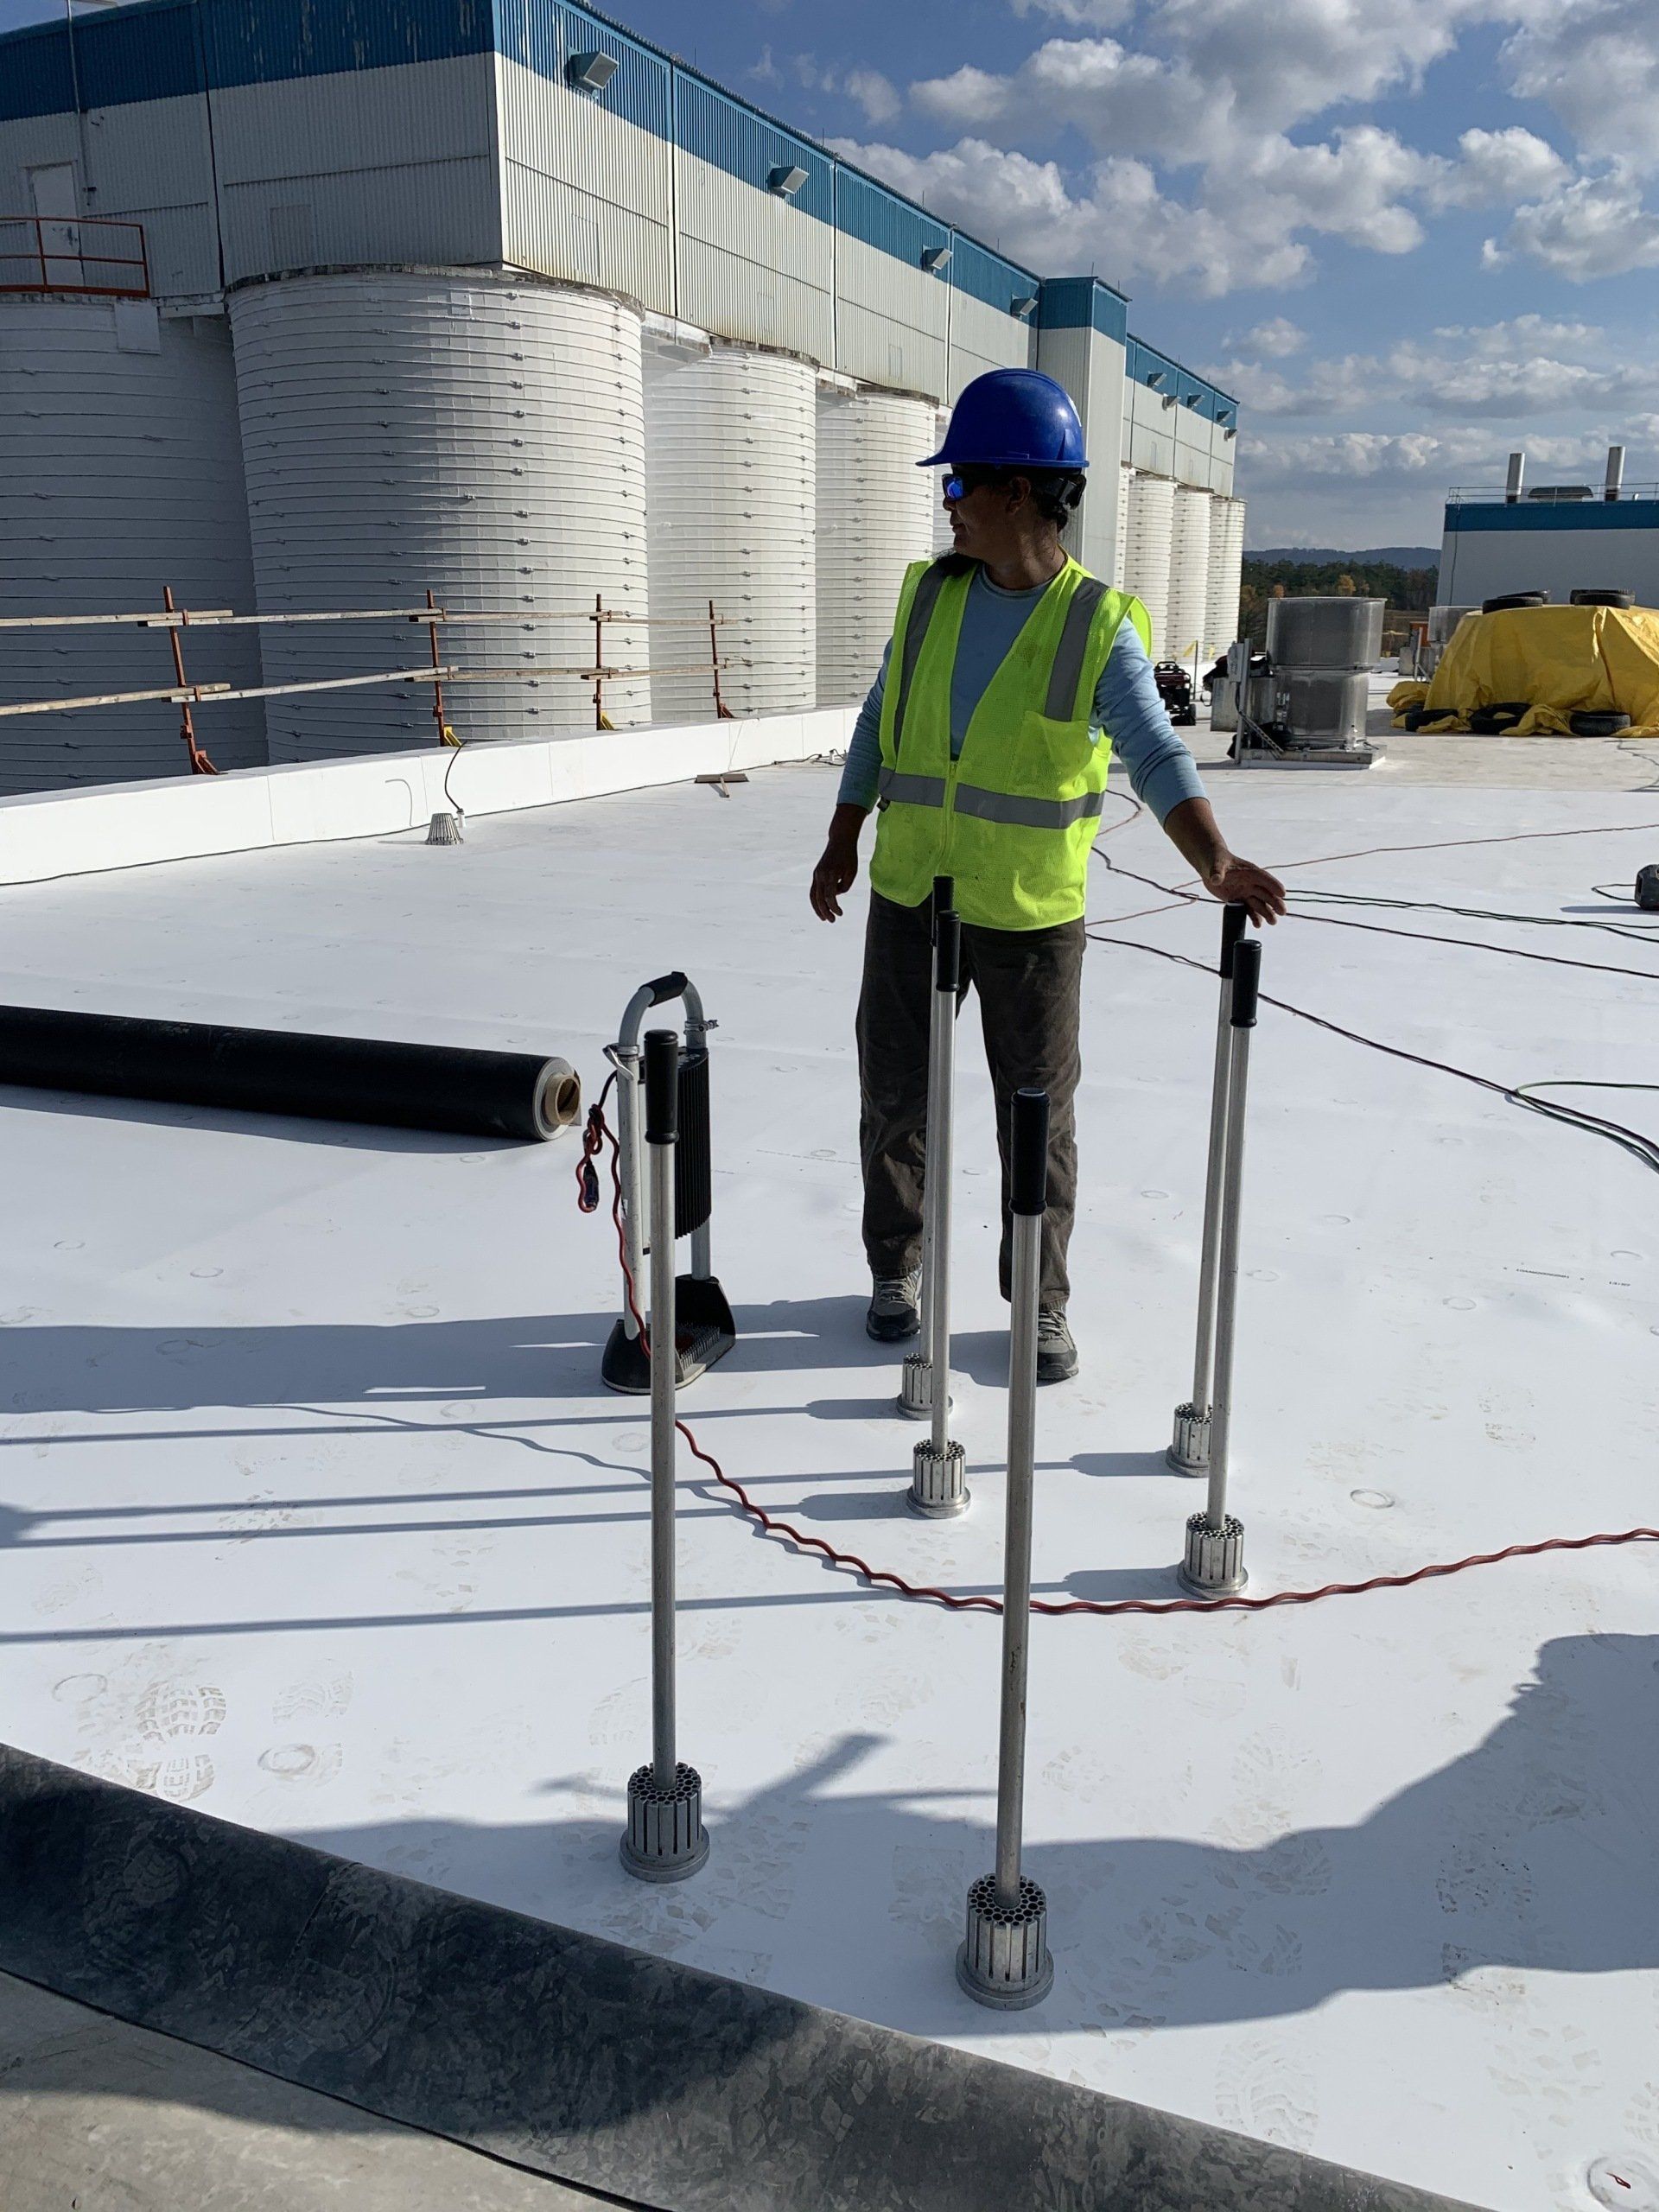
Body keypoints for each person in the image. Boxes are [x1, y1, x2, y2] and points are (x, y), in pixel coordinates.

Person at [808, 367, 1286, 1382]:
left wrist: (1214, 858)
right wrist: (844, 834)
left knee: (1036, 1114)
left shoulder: (1094, 623)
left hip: (1027, 916)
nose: (948, 503)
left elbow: (1153, 750)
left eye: (960, 484)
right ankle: (895, 1268)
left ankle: (1039, 1298)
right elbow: (879, 719)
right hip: (910, 893)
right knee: (892, 1095)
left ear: (1017, 492)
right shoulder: (929, 596)